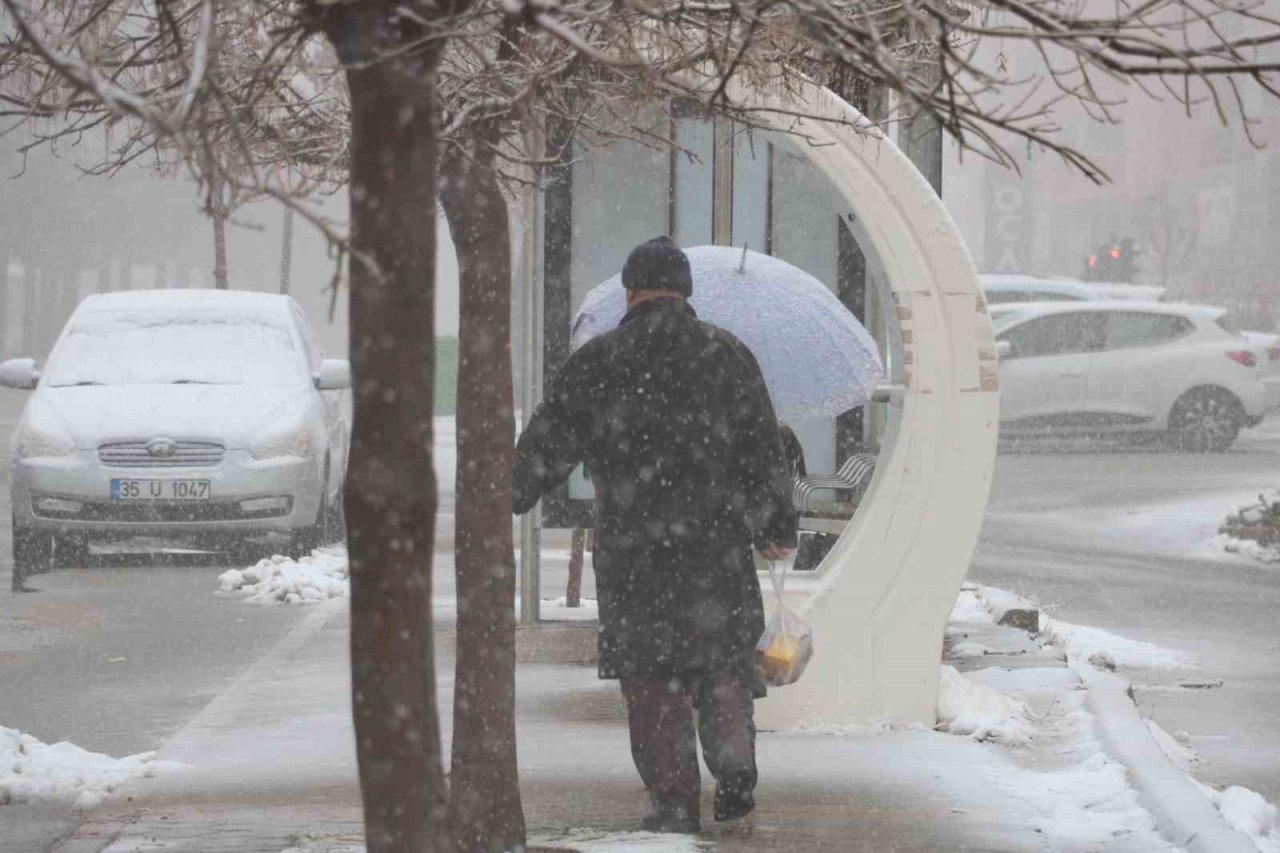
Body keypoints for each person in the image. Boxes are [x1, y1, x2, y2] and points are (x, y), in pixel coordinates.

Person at [512, 236, 796, 834]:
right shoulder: (729, 355)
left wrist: (510, 493)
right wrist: (774, 524)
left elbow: (548, 443)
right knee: (721, 663)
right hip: (716, 549)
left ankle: (672, 802)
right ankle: (735, 763)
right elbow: (764, 451)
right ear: (685, 290)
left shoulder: (599, 360)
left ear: (631, 289)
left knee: (652, 677)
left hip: (634, 552)